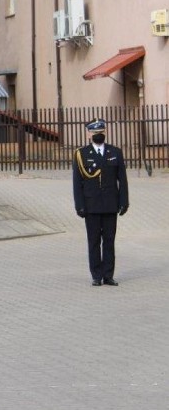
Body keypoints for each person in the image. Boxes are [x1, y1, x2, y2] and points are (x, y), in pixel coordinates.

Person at [72, 118, 129, 286]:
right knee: (94, 241)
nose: (98, 135)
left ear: (105, 132)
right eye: (95, 133)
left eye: (101, 132)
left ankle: (108, 275)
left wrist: (124, 201)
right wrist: (79, 205)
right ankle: (96, 276)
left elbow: (122, 180)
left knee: (109, 241)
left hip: (111, 204)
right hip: (91, 205)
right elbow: (77, 182)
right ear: (89, 134)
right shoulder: (82, 154)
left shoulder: (115, 152)